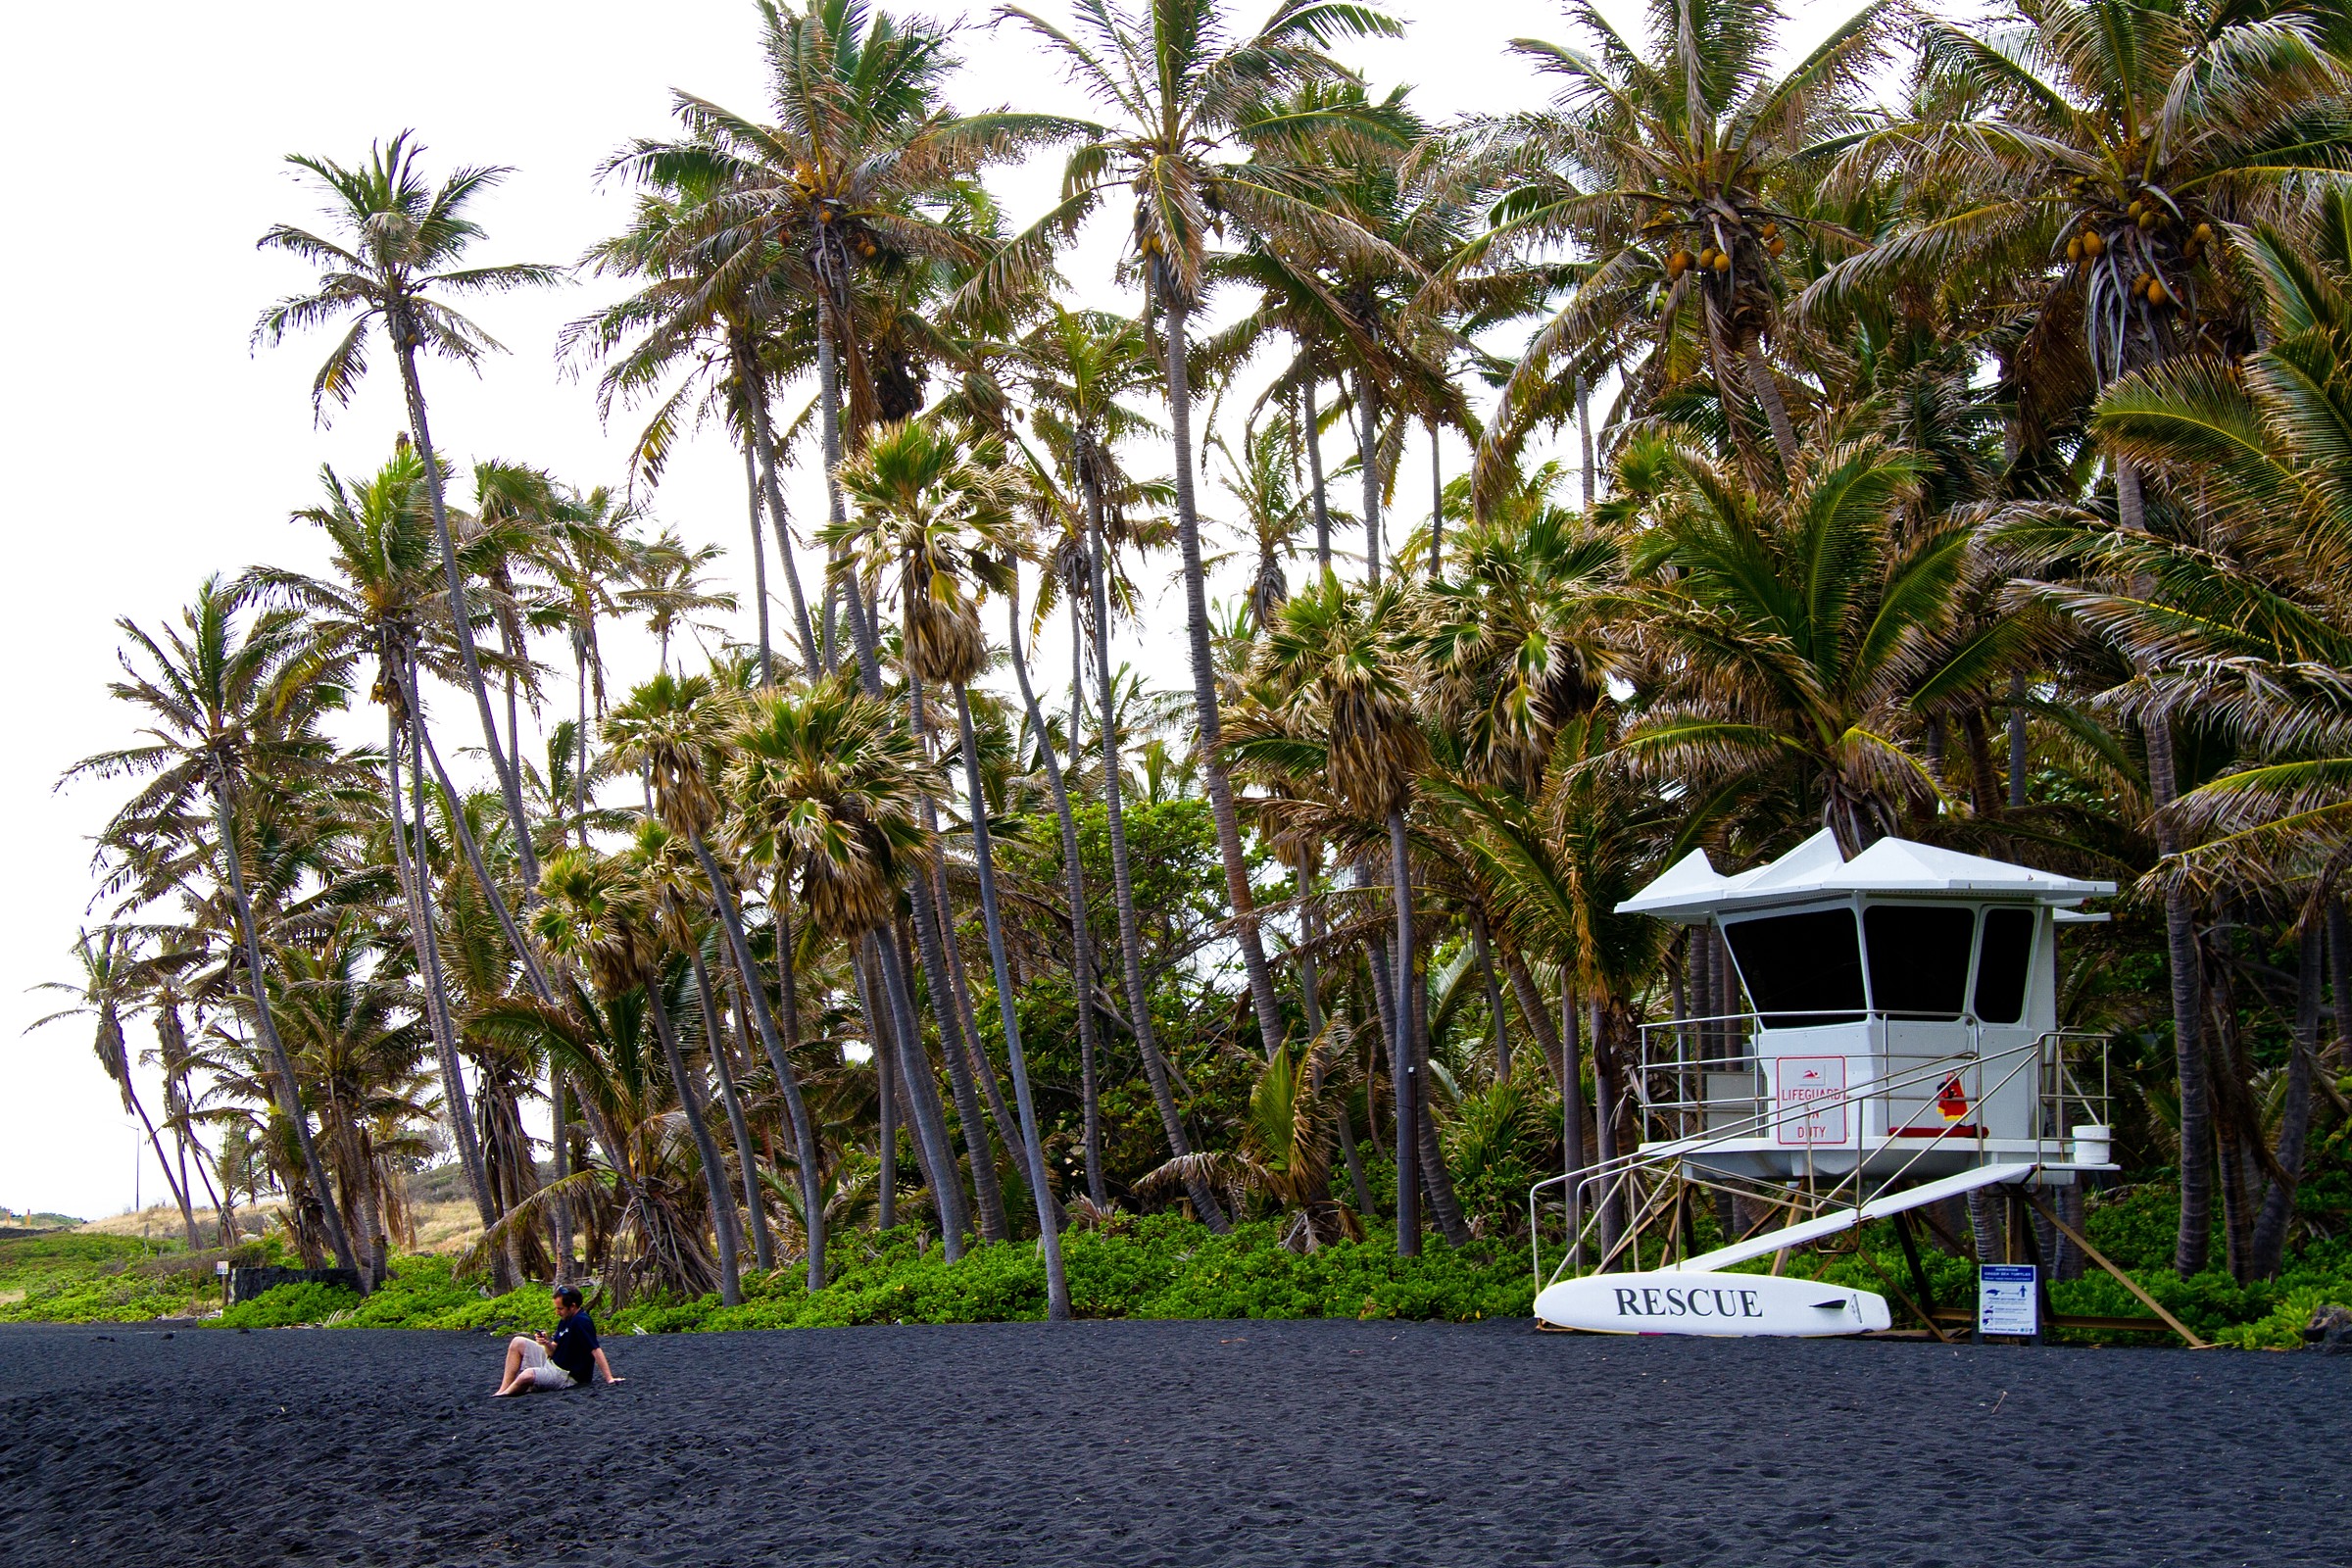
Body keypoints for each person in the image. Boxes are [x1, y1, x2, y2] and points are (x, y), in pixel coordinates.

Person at [494, 1284, 623, 1396]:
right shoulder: (565, 1319)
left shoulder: (581, 1322)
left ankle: (506, 1395)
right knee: (517, 1342)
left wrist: (609, 1378)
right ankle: (502, 1390)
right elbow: (553, 1351)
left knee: (527, 1375)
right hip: (552, 1363)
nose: (557, 1312)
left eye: (560, 1308)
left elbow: (595, 1349)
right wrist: (546, 1343)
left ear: (572, 1306)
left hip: (566, 1375)